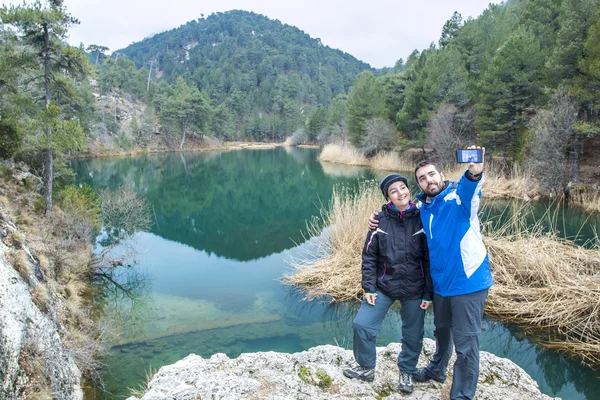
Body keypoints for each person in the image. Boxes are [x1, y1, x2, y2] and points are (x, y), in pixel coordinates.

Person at [368, 146, 493, 400]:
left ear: (442, 175)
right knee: (442, 331)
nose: (429, 180)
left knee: (466, 344)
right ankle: (437, 370)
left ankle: (461, 395)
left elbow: (471, 187)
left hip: (467, 282)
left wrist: (475, 172)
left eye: (432, 174)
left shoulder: (458, 197)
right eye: (422, 178)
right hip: (441, 284)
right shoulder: (424, 207)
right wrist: (378, 217)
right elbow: (400, 212)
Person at [344, 174, 432, 394]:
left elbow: (430, 259)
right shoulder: (379, 220)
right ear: (388, 197)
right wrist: (369, 287)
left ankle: (406, 371)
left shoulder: (423, 217)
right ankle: (366, 368)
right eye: (394, 191)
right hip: (385, 285)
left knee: (413, 334)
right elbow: (369, 256)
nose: (400, 193)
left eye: (403, 188)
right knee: (362, 325)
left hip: (415, 288)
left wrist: (428, 293)